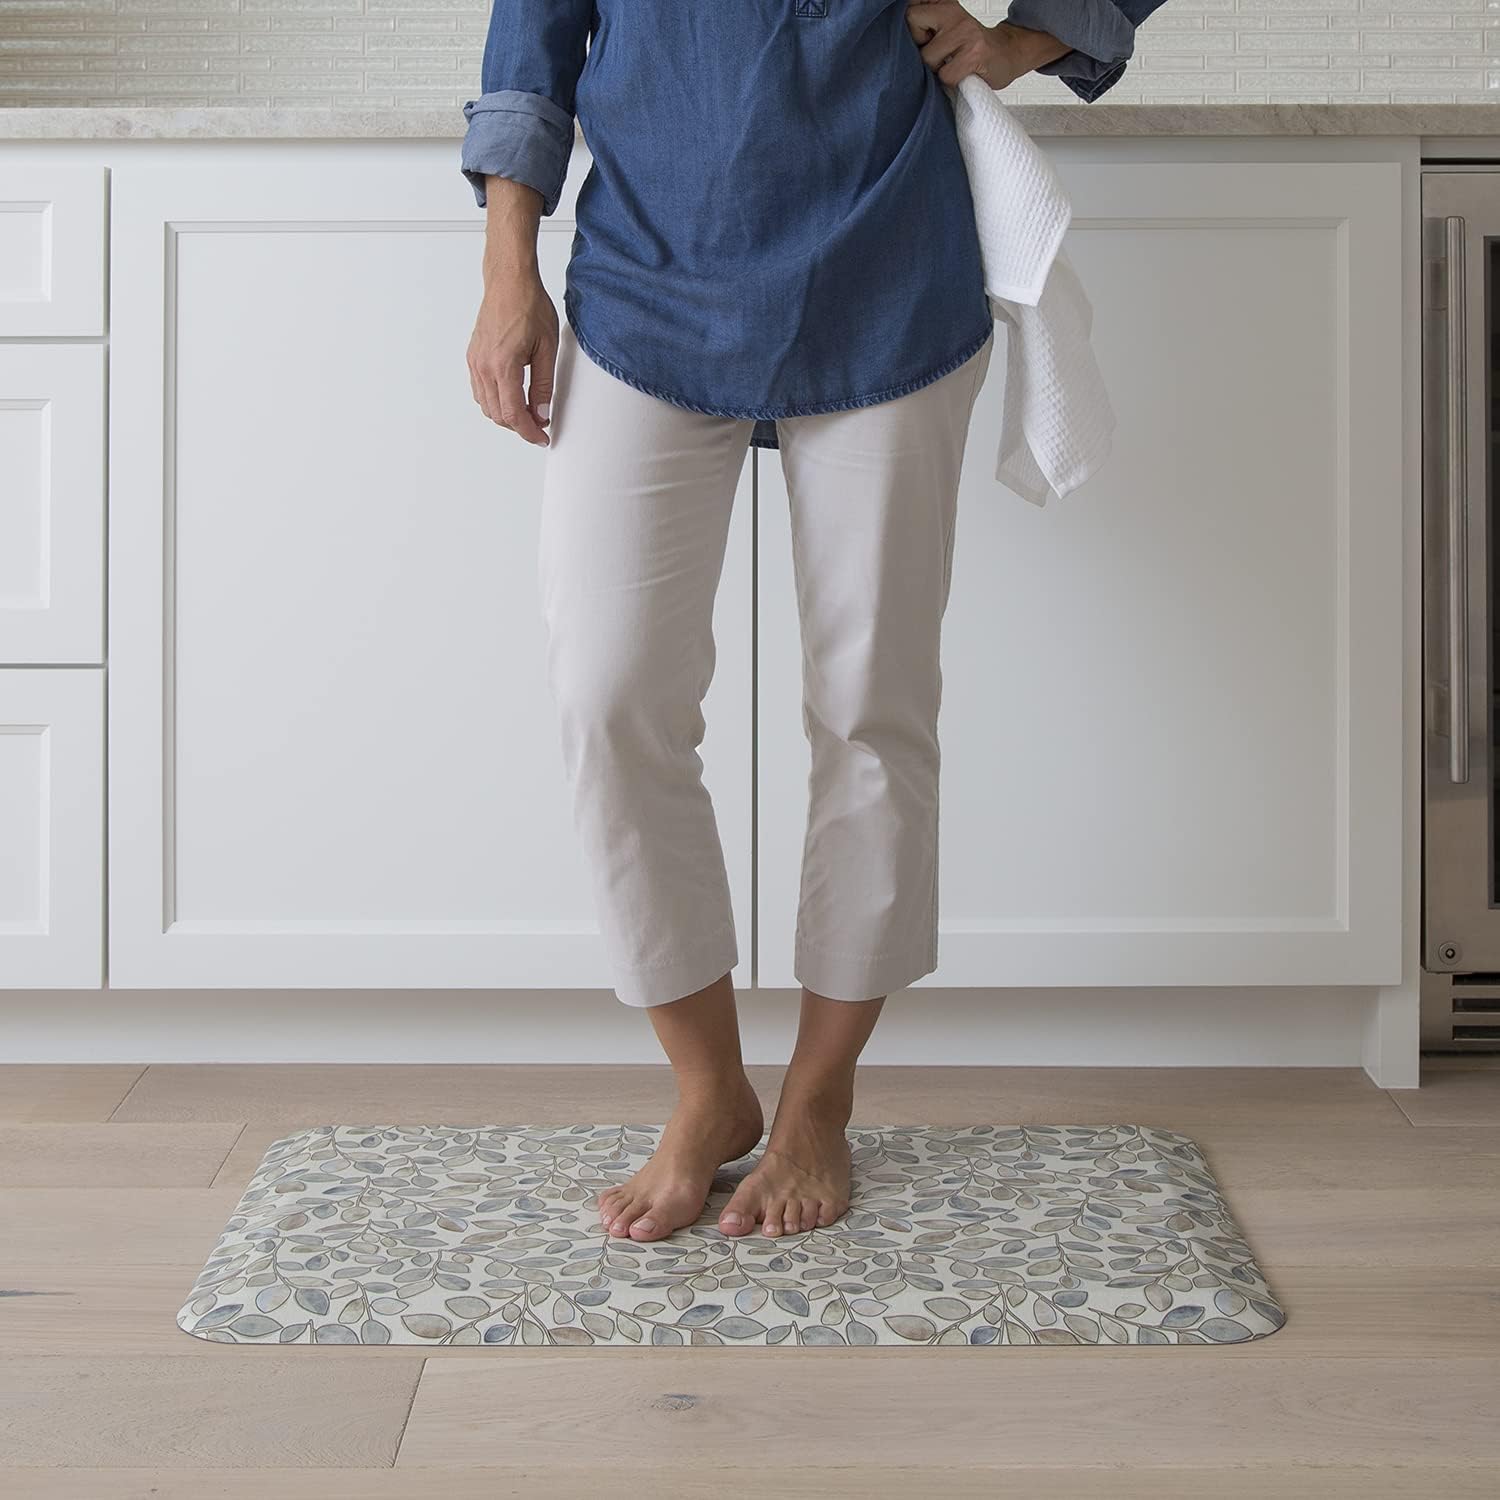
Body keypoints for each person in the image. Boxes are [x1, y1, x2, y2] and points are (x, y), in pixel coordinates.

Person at [460, 0, 1168, 1246]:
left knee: (869, 709)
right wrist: (506, 268)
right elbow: (534, 38)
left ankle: (819, 1102)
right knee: (608, 695)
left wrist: (1023, 38)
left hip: (886, 269)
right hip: (644, 279)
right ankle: (709, 1091)